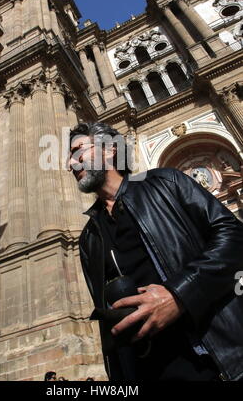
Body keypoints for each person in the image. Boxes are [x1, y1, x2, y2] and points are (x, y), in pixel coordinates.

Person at [68, 121, 243, 382]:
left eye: (78, 151)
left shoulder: (165, 183)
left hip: (215, 357)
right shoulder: (89, 238)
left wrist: (179, 295)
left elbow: (234, 237)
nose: (71, 164)